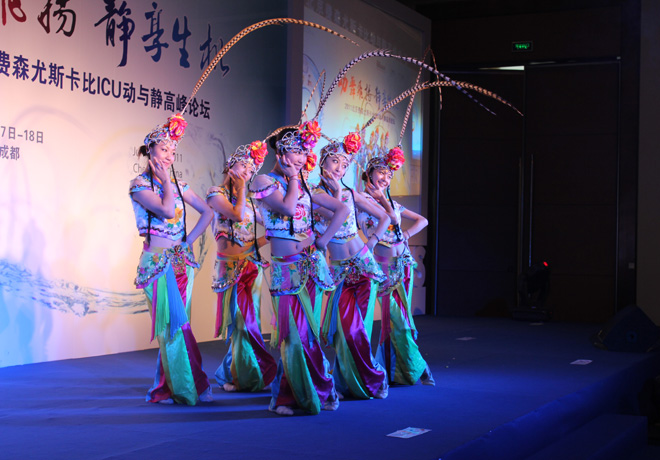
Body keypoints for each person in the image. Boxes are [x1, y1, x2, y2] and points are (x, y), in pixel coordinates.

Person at [250, 122, 349, 415]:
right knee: (292, 334)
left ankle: (312, 391)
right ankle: (292, 395)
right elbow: (288, 209)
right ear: (280, 152)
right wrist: (295, 178)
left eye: (304, 152)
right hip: (285, 268)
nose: (301, 158)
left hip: (311, 265)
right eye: (296, 151)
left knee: (308, 334)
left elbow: (341, 210)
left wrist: (323, 240)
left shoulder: (303, 184)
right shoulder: (263, 181)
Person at [129, 113, 214, 405]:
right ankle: (190, 386)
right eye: (164, 149)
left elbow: (208, 213)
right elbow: (166, 211)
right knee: (170, 328)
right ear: (150, 150)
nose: (169, 155)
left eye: (173, 151)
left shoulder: (180, 184)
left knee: (181, 325)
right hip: (156, 264)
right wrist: (166, 181)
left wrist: (188, 242)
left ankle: (167, 387)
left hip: (180, 262)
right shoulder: (140, 185)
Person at [313, 132, 391, 400]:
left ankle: (366, 382)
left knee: (361, 329)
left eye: (345, 164)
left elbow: (385, 217)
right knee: (347, 330)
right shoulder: (313, 194)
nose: (340, 168)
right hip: (339, 270)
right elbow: (333, 214)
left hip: (364, 265)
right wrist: (336, 193)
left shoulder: (349, 193)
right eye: (335, 161)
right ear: (322, 162)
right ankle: (365, 379)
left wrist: (371, 243)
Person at [357, 146, 434, 386]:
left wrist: (406, 235)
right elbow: (390, 219)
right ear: (369, 174)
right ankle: (418, 366)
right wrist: (382, 200)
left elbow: (423, 220)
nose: (385, 178)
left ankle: (399, 370)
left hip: (404, 264)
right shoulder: (360, 200)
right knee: (397, 320)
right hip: (383, 267)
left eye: (389, 175)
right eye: (381, 172)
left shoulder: (392, 202)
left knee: (402, 319)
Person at [206, 140, 277, 393]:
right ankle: (240, 374)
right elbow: (236, 215)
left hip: (251, 264)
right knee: (238, 321)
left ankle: (235, 373)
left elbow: (267, 229)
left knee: (250, 321)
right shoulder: (216, 194)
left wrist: (267, 237)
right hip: (229, 268)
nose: (248, 171)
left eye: (251, 169)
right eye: (244, 165)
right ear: (230, 165)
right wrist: (242, 189)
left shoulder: (251, 203)